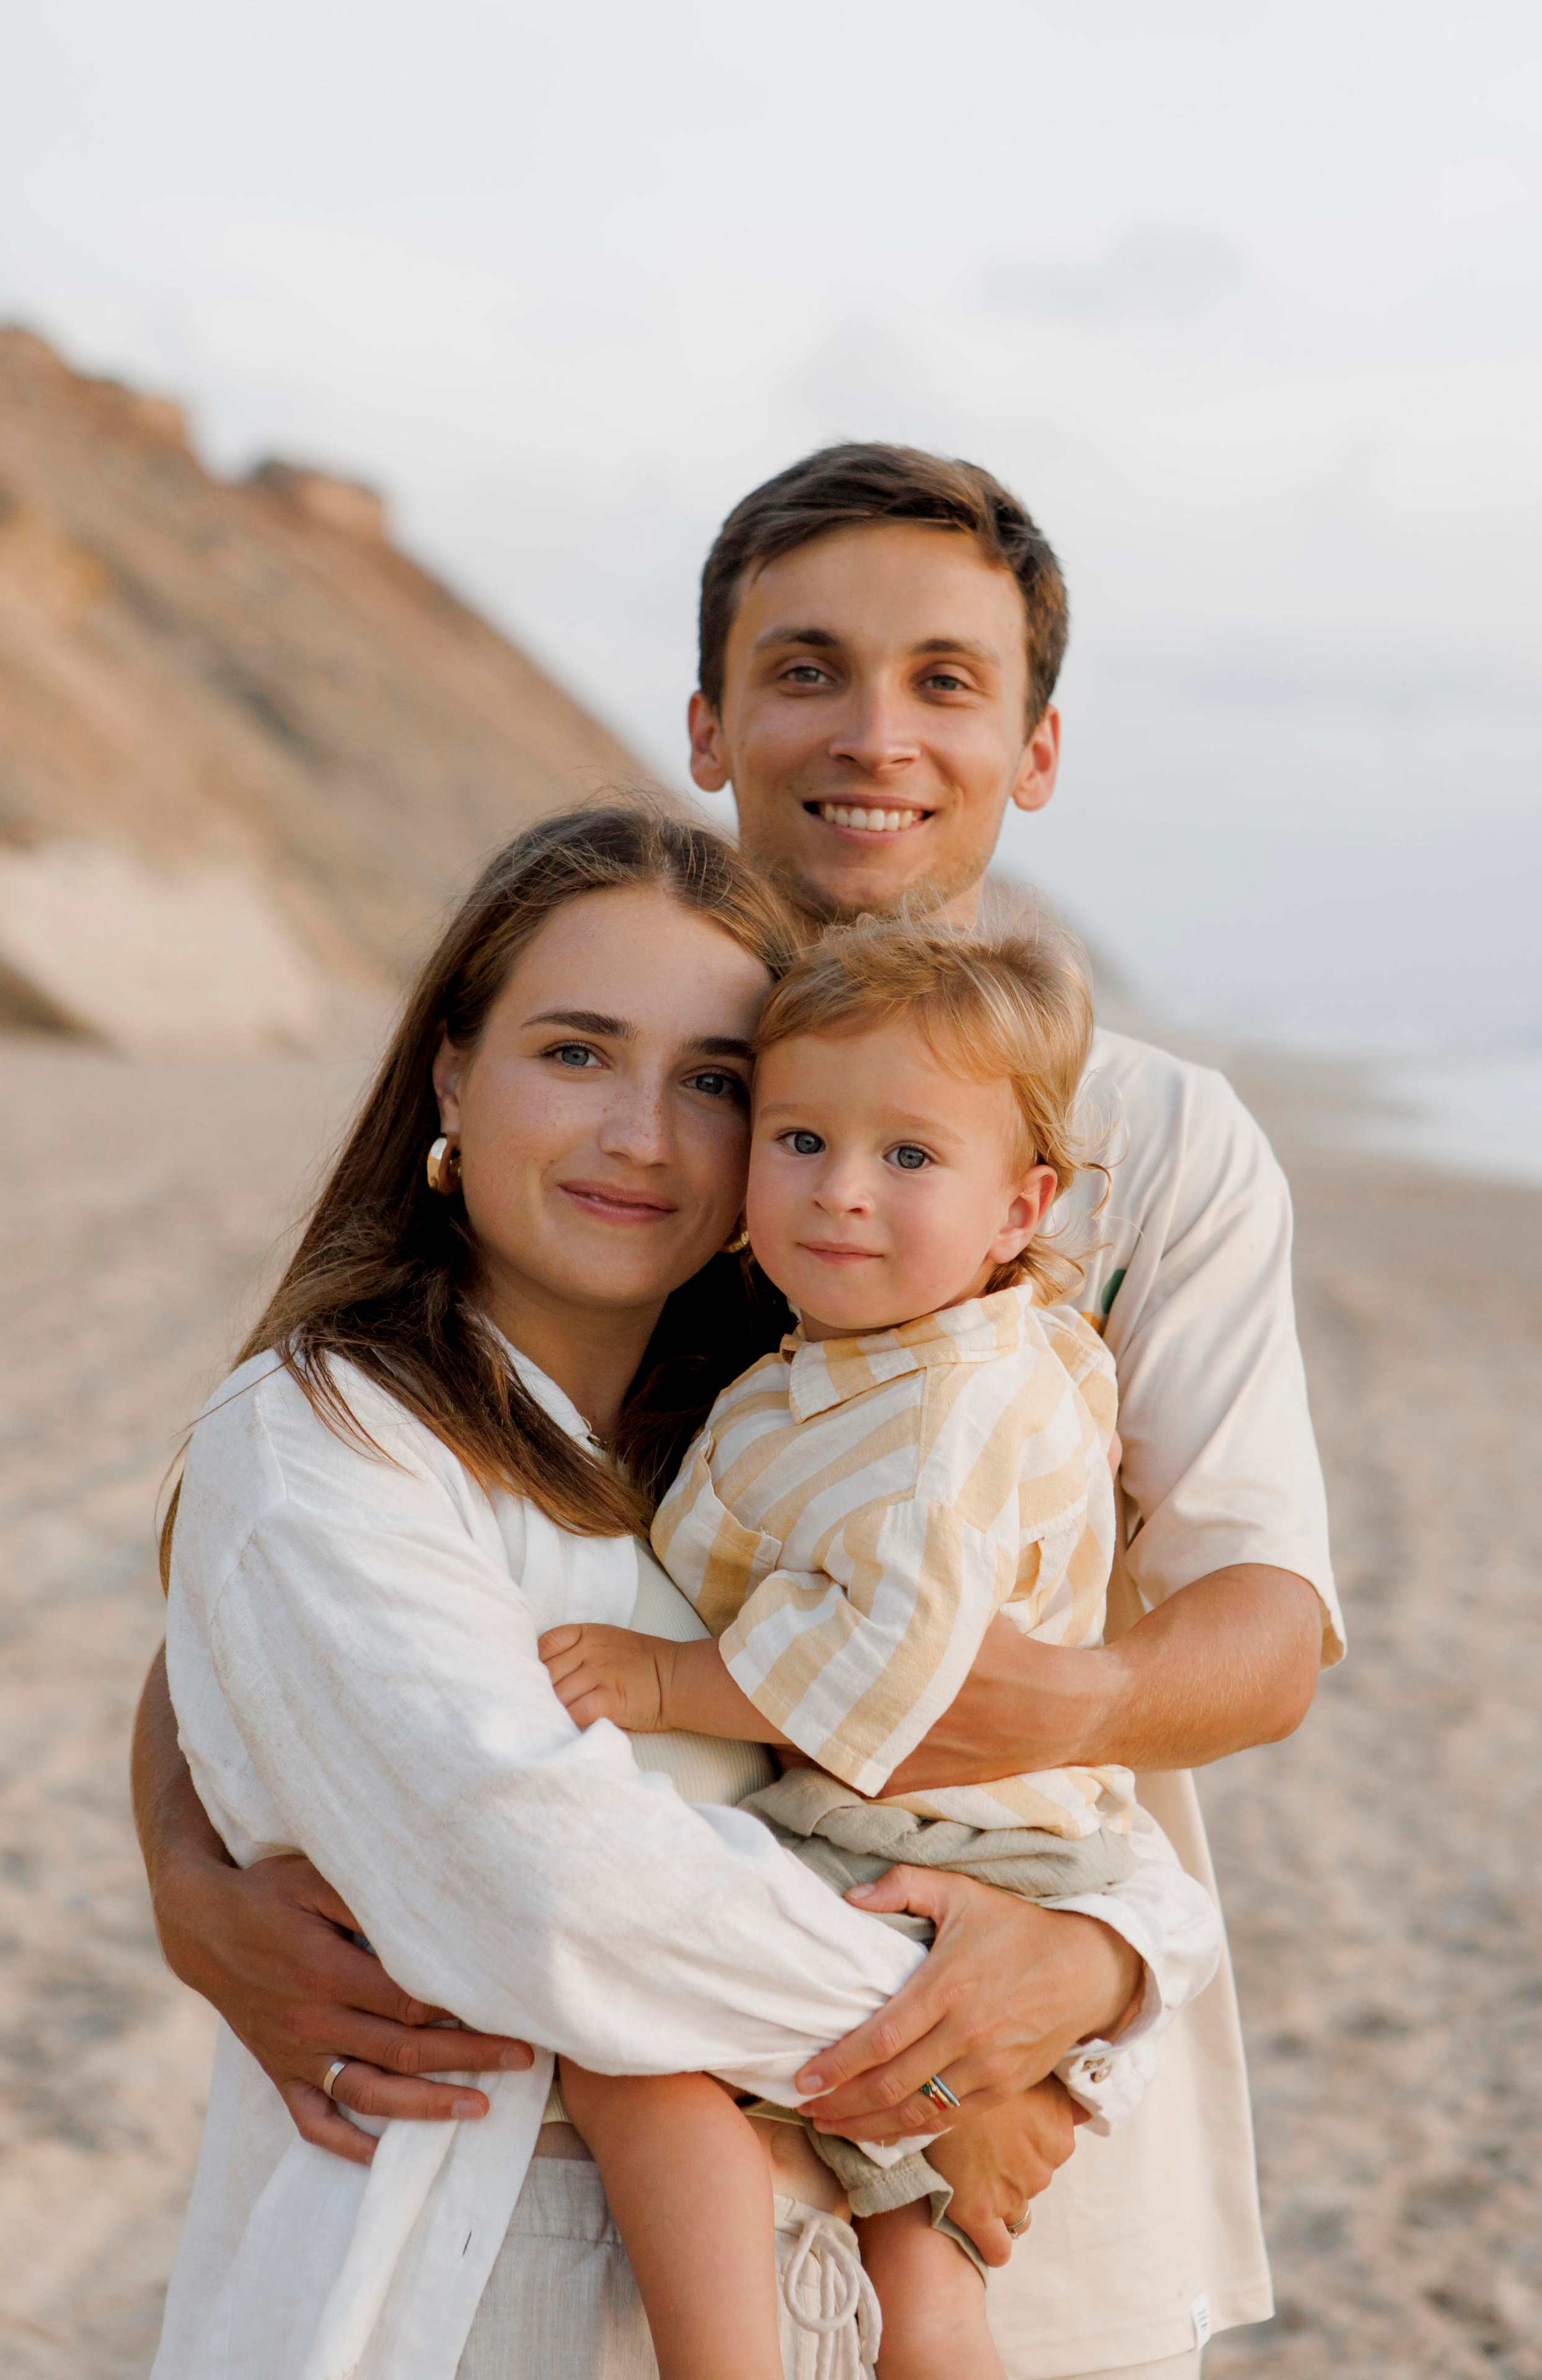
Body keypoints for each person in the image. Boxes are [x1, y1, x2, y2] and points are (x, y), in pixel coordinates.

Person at [134, 443, 1342, 2377]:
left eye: (948, 680)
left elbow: (1269, 1627)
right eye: (805, 669)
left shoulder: (1146, 1140)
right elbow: (307, 1578)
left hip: (999, 2005)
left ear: (1036, 748)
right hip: (645, 2075)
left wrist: (1078, 1845)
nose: (874, 733)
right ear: (707, 722)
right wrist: (188, 1879)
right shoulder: (639, 1118)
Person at [540, 910, 1151, 2380]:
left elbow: (896, 1650)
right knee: (917, 2266)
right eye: (800, 1140)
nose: (841, 1196)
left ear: (1022, 1207)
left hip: (922, 1837)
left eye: (909, 1158)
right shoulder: (877, 1356)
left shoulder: (940, 1414)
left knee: (634, 2050)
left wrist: (670, 1682)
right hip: (948, 1828)